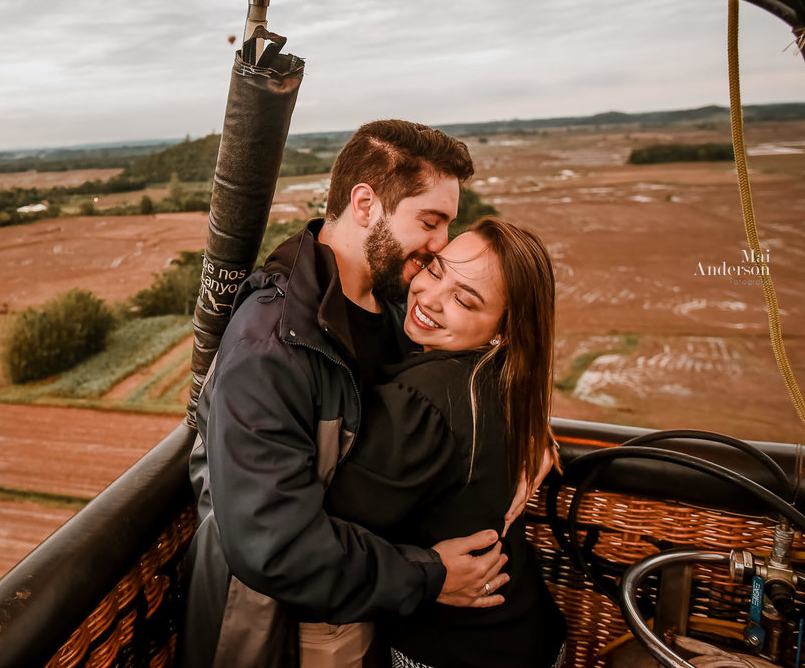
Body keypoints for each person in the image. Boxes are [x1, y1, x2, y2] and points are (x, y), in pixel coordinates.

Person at [183, 120, 526, 668]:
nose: (440, 245)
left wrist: (528, 433)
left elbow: (475, 368)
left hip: (364, 611)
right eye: (430, 221)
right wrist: (429, 576)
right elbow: (273, 542)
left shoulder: (395, 303)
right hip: (280, 628)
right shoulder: (271, 345)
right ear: (365, 204)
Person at [326, 217, 566, 668]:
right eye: (435, 271)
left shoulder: (422, 403)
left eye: (464, 300)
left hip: (456, 651)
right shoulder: (508, 382)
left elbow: (332, 528)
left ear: (503, 330)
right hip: (532, 633)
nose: (430, 297)